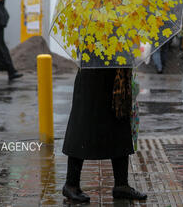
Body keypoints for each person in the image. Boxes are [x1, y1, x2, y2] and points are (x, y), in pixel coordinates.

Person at [62, 68, 147, 203]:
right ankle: (71, 184)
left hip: (117, 76)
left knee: (119, 125)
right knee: (83, 126)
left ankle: (121, 185)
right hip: (92, 74)